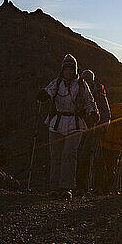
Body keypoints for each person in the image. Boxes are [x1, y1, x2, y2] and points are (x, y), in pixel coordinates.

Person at [36, 54, 98, 199]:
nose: (68, 72)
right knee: (56, 156)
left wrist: (93, 113)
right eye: (66, 69)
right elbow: (49, 92)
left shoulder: (82, 85)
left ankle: (66, 188)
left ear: (75, 70)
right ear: (62, 70)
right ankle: (54, 188)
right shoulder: (56, 83)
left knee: (69, 155)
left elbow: (90, 101)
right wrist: (44, 95)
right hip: (57, 124)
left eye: (71, 69)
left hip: (75, 124)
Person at [76, 69, 111, 194]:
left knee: (86, 157)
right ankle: (89, 186)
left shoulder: (97, 95)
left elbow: (105, 113)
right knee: (86, 157)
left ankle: (84, 187)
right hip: (83, 128)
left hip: (94, 130)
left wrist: (101, 127)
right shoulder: (84, 92)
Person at [94, 102, 122, 194]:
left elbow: (101, 131)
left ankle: (101, 188)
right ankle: (108, 188)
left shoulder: (108, 119)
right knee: (111, 168)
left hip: (106, 146)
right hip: (115, 147)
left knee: (103, 167)